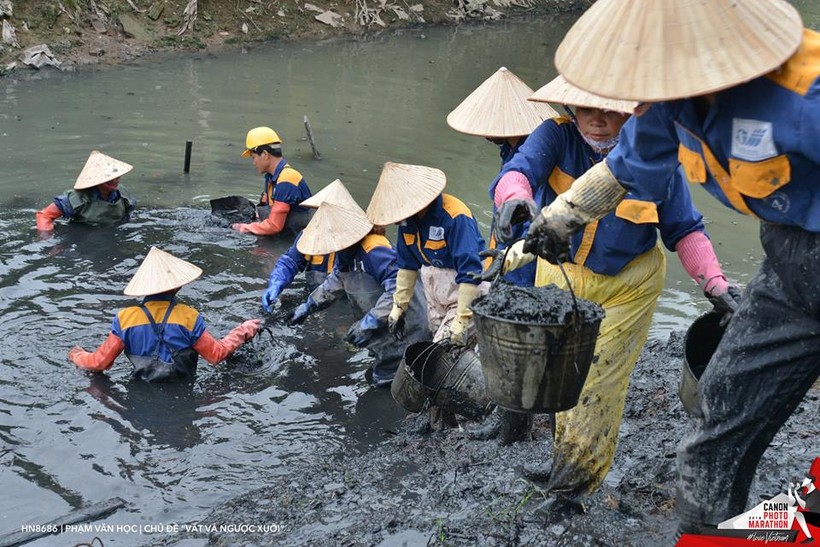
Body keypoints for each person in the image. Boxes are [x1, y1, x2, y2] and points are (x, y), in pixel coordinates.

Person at [522, 0, 819, 537]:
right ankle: (712, 534)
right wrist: (555, 222)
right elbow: (622, 169)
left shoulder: (806, 93)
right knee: (715, 424)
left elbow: (684, 227)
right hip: (790, 270)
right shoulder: (665, 111)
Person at [478, 74, 734, 493]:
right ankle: (564, 460)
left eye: (612, 108)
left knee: (595, 384)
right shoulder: (556, 137)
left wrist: (715, 284)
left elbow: (685, 229)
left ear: (634, 111)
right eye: (587, 107)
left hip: (628, 285)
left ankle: (574, 489)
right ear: (570, 108)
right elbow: (518, 171)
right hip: (562, 272)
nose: (598, 119)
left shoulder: (653, 153)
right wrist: (515, 199)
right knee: (560, 372)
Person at [287, 201, 430, 386]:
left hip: (405, 330)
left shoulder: (374, 251)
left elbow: (400, 291)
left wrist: (368, 323)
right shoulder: (346, 252)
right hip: (384, 332)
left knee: (397, 383)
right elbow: (336, 279)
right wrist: (308, 306)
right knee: (381, 378)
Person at [69, 246, 261, 382]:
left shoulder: (125, 319)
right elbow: (216, 355)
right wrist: (243, 331)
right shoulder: (188, 317)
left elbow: (99, 362)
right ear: (177, 285)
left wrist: (77, 356)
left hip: (140, 395)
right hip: (183, 391)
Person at [447, 66, 558, 287]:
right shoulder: (509, 152)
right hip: (506, 260)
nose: (485, 134)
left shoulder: (536, 161)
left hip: (524, 269)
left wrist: (509, 262)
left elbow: (533, 224)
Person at [366, 162, 488, 347]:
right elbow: (407, 266)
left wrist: (462, 319)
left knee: (443, 349)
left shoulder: (455, 216)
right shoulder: (407, 224)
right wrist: (399, 307)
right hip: (435, 293)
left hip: (465, 289)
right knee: (436, 340)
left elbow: (471, 270)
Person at [261, 179, 360, 312]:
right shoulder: (309, 235)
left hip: (348, 307)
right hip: (314, 301)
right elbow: (290, 261)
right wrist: (276, 283)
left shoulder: (362, 243)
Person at [232, 126, 313, 237]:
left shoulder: (287, 179)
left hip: (301, 238)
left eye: (253, 157)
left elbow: (274, 225)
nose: (253, 162)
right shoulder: (271, 177)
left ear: (265, 154)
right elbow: (269, 208)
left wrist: (244, 227)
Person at [35, 150, 136, 231]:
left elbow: (130, 214)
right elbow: (44, 215)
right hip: (83, 236)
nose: (116, 179)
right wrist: (46, 236)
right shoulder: (77, 198)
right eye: (110, 178)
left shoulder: (122, 193)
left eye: (117, 176)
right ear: (97, 181)